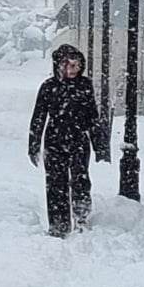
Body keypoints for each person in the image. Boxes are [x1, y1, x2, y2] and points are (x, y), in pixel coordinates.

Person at [28, 44, 106, 236]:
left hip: (79, 139)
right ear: (59, 66)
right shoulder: (49, 87)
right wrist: (34, 144)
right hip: (54, 140)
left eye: (76, 65)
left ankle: (81, 216)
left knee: (81, 179)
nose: (72, 69)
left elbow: (92, 116)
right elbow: (39, 116)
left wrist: (99, 144)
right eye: (67, 65)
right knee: (56, 184)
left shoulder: (85, 85)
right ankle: (59, 225)